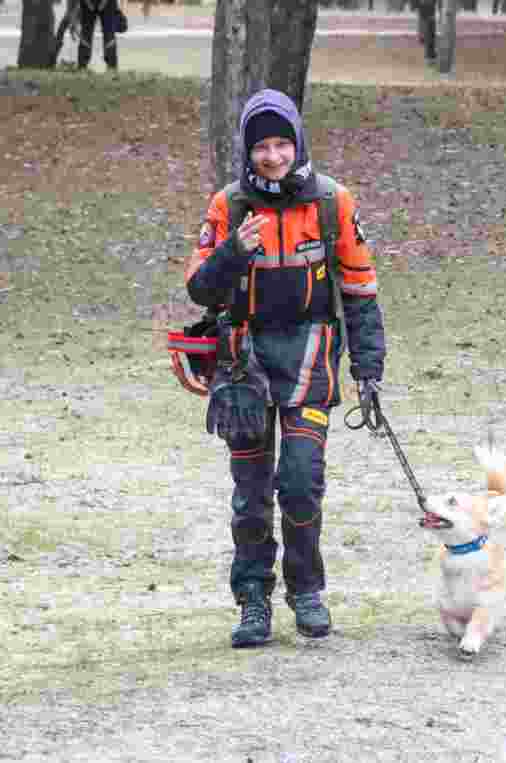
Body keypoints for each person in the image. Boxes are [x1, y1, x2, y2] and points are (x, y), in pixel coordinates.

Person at [184, 89, 387, 648]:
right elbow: (200, 287)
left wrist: (369, 369)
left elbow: (361, 293)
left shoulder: (333, 204)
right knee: (251, 493)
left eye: (281, 144)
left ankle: (307, 592)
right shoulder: (228, 207)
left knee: (300, 484)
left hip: (311, 361)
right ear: (247, 152)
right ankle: (253, 601)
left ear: (297, 143)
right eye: (261, 147)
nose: (272, 156)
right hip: (242, 368)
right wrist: (232, 252)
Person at [78, 0, 119, 71]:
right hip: (88, 3)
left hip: (108, 4)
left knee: (109, 33)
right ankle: (82, 66)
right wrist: (88, 2)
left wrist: (104, 2)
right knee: (86, 33)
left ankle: (112, 66)